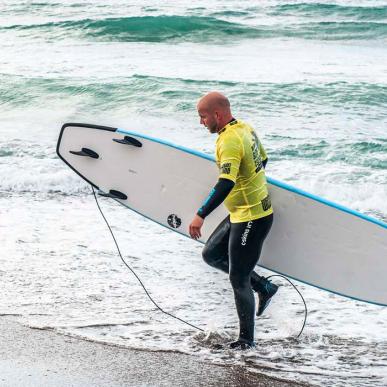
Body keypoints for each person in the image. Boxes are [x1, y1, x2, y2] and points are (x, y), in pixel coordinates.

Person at [189, 92, 278, 350]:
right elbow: (263, 159)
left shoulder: (229, 140)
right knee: (211, 254)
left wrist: (201, 214)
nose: (202, 122)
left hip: (252, 216)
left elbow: (226, 182)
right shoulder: (245, 128)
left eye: (203, 117)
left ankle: (246, 341)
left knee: (238, 278)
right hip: (241, 212)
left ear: (217, 114)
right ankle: (264, 286)